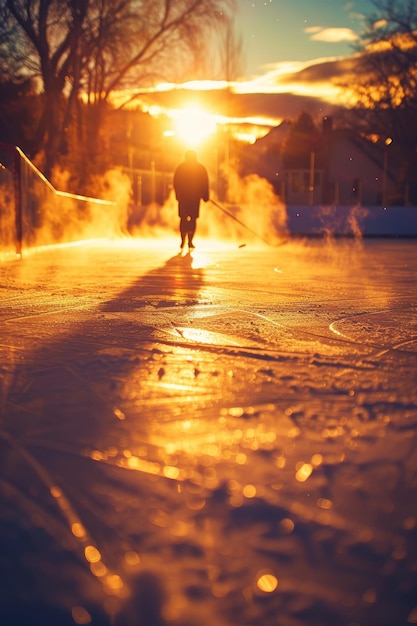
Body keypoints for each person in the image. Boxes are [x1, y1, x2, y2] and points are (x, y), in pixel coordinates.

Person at [173, 149, 209, 250]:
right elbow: (205, 183)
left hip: (185, 199)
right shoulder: (200, 168)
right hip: (193, 199)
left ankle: (184, 241)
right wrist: (205, 195)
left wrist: (178, 194)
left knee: (184, 219)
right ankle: (189, 241)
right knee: (192, 219)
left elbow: (176, 182)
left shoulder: (181, 168)